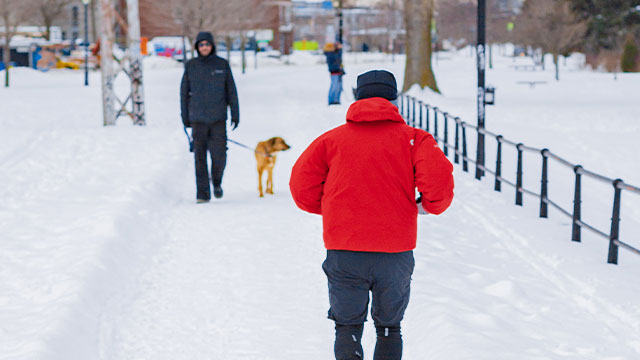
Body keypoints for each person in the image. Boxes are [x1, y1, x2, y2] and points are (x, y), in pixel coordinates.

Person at [289, 70, 454, 360]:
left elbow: (301, 187)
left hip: (345, 248)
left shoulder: (331, 140)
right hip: (395, 250)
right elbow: (439, 187)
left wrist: (332, 210)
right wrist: (423, 206)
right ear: (394, 99)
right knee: (390, 326)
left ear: (357, 97)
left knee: (347, 325)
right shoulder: (415, 139)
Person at [180, 31, 239, 203]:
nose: (204, 47)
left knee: (219, 156)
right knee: (199, 158)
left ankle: (217, 181)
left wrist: (235, 113)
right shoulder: (191, 66)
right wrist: (185, 116)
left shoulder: (222, 64)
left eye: (207, 44)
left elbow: (231, 91)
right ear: (197, 47)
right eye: (201, 45)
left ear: (212, 46)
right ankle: (202, 194)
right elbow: (184, 93)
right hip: (198, 119)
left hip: (218, 119)